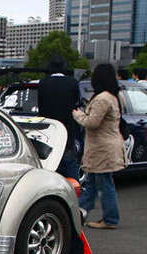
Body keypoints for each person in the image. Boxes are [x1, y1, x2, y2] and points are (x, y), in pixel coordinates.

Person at [72, 63, 126, 230]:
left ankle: (110, 219)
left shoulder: (103, 98)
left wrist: (77, 114)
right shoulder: (111, 96)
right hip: (104, 147)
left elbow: (92, 122)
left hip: (103, 148)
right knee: (93, 183)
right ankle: (79, 212)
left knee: (104, 185)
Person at [38, 53, 81, 179]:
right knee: (70, 163)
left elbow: (41, 107)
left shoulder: (43, 83)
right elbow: (76, 105)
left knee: (49, 165)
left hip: (49, 130)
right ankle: (74, 191)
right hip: (67, 129)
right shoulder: (72, 83)